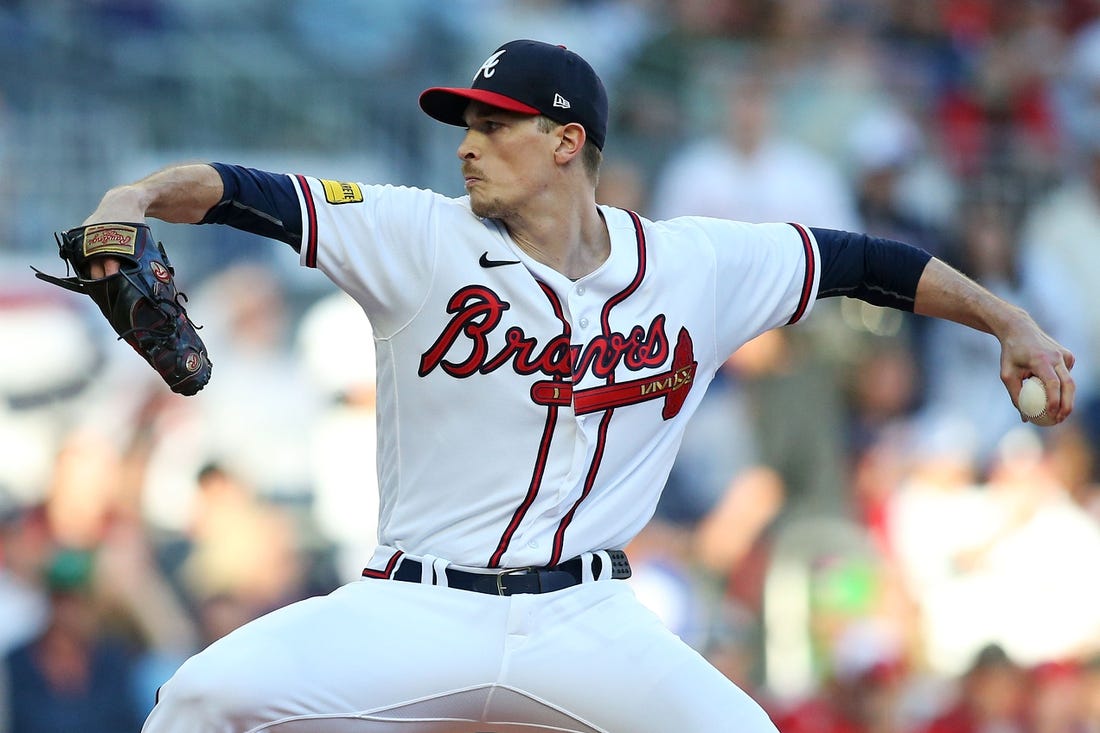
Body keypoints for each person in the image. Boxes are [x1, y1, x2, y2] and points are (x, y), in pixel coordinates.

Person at [72, 38, 1075, 733]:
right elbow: (246, 192)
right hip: (413, 608)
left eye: (495, 125)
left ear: (564, 143)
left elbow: (862, 261)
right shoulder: (415, 234)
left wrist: (1010, 320)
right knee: (199, 701)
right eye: (463, 121)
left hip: (586, 620)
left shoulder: (693, 264)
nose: (466, 142)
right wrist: (134, 197)